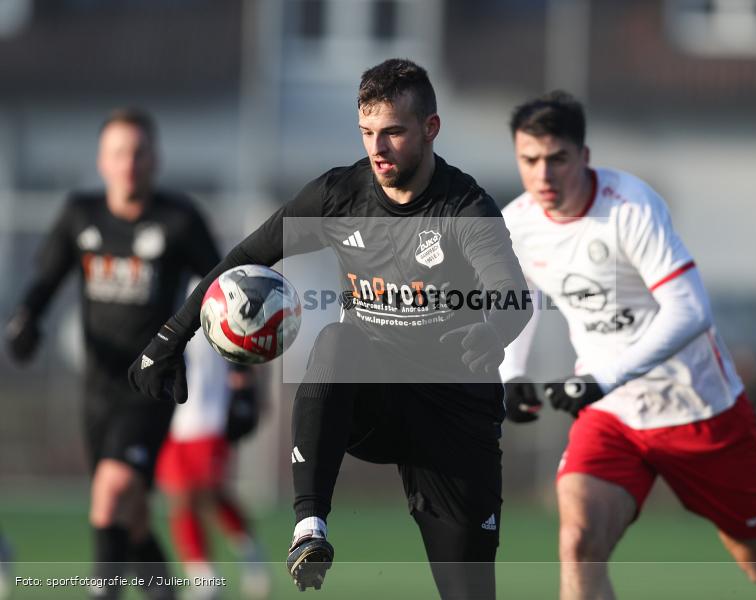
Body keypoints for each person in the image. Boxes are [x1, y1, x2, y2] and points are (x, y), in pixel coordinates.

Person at [128, 59, 531, 599]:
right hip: (374, 399)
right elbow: (251, 254)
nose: (378, 148)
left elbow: (513, 296)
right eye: (367, 133)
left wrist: (491, 332)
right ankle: (309, 527)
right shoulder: (339, 195)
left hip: (454, 413)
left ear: (430, 129)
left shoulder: (467, 207)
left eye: (393, 132)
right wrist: (170, 336)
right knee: (337, 340)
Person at [499, 91, 756, 600]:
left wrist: (601, 378)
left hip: (699, 411)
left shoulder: (631, 207)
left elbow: (690, 310)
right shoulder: (519, 222)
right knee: (578, 542)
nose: (543, 176)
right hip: (612, 417)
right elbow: (519, 293)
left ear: (584, 157)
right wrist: (511, 373)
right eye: (530, 161)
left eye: (557, 159)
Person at [5, 108, 221, 599]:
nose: (130, 163)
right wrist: (26, 322)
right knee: (134, 517)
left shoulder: (179, 221)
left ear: (155, 159)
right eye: (119, 153)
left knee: (110, 493)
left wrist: (243, 379)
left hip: (152, 385)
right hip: (97, 390)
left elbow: (227, 292)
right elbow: (45, 280)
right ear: (102, 162)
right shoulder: (81, 215)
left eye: (139, 152)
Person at [155, 283, 269, 599]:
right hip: (173, 417)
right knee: (181, 497)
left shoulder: (215, 287)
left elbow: (253, 334)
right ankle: (203, 575)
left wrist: (248, 388)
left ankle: (250, 553)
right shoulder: (163, 285)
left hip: (211, 411)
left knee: (206, 494)